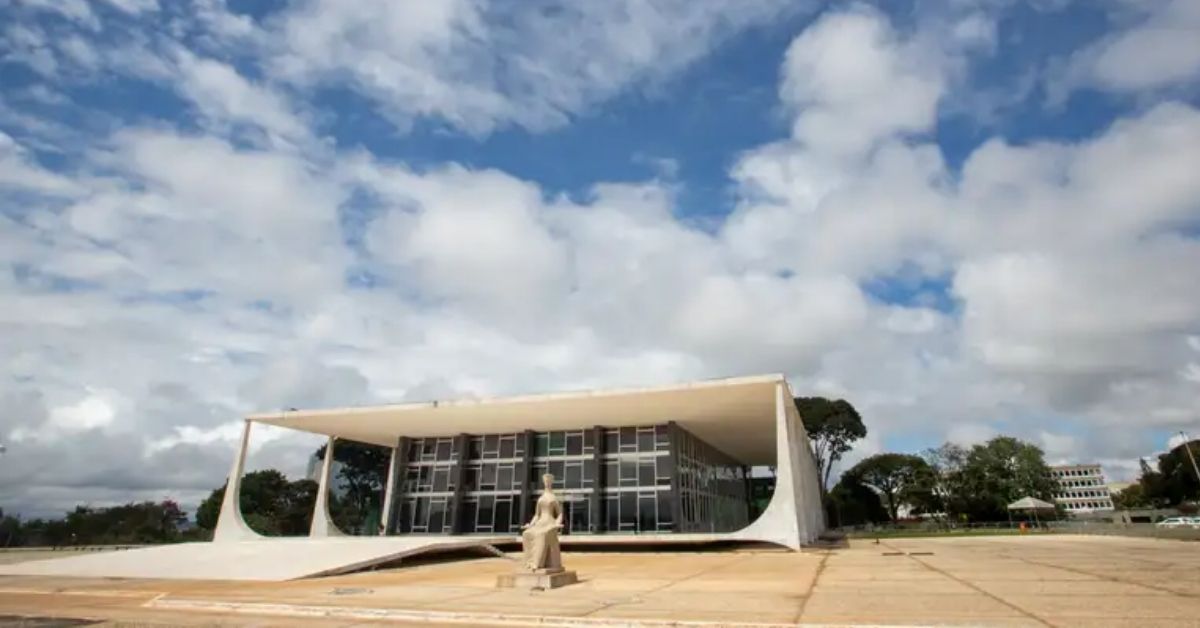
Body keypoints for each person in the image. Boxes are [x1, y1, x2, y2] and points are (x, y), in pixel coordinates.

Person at [521, 473, 564, 572]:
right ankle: (528, 561)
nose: (547, 483)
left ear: (551, 482)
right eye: (545, 481)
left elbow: (560, 514)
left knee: (542, 535)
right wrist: (530, 524)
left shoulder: (554, 498)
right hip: (540, 522)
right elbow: (537, 515)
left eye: (548, 481)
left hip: (549, 522)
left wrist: (556, 524)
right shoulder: (541, 498)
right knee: (526, 534)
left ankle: (537, 563)